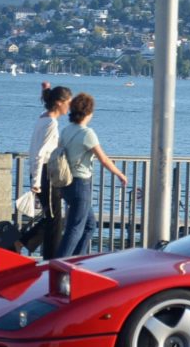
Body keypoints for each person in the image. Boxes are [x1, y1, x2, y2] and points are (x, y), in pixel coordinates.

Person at [54, 93, 128, 258]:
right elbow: (104, 160)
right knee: (75, 228)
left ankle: (77, 260)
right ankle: (59, 263)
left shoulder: (66, 130)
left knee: (89, 225)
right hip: (81, 184)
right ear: (88, 112)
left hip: (66, 183)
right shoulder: (87, 133)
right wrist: (120, 174)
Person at [19, 85, 72, 258]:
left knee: (52, 218)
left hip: (41, 173)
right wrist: (36, 182)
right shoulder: (51, 122)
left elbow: (35, 149)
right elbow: (41, 153)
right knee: (54, 219)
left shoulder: (43, 118)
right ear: (59, 103)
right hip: (45, 174)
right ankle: (50, 258)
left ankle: (25, 244)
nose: (69, 107)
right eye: (67, 102)